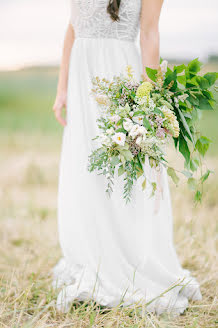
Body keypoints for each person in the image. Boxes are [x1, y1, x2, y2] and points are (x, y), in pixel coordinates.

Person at [52, 0, 202, 315]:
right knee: (87, 169)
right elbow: (73, 25)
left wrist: (151, 105)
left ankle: (128, 259)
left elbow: (148, 33)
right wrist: (62, 87)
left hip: (122, 78)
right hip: (83, 80)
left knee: (122, 170)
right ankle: (92, 256)